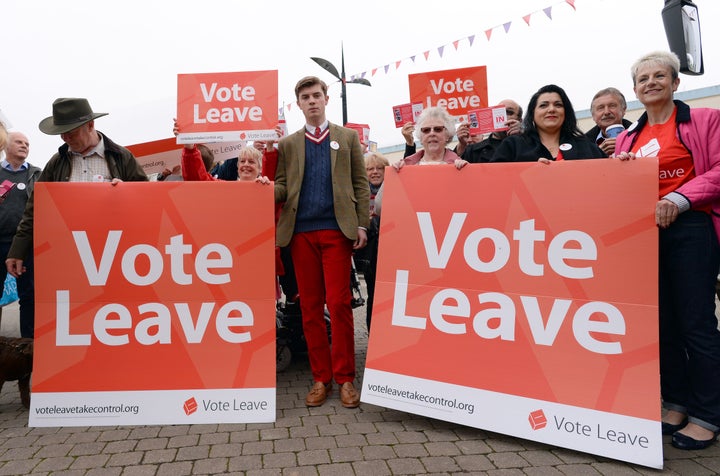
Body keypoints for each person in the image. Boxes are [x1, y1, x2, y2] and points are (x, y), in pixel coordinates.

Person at [615, 51, 720, 451]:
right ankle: (676, 403)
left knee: (696, 323)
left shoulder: (706, 120)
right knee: (663, 325)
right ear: (636, 90)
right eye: (643, 78)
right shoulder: (627, 138)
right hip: (644, 236)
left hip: (690, 227)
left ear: (676, 83)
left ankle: (708, 414)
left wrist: (679, 198)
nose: (651, 82)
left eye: (660, 76)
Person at [269, 75, 370, 408]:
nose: (311, 101)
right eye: (305, 97)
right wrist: (264, 185)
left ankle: (345, 379)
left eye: (316, 95)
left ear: (327, 99)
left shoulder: (348, 137)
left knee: (339, 305)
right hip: (299, 233)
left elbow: (360, 184)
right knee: (310, 308)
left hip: (336, 230)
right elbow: (283, 187)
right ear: (298, 104)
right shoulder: (288, 145)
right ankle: (320, 377)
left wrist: (361, 225)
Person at [6, 98, 148, 279]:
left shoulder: (121, 157)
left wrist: (126, 191)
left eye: (71, 133)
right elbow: (34, 209)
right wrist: (17, 250)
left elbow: (147, 199)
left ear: (90, 125)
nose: (65, 138)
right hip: (68, 251)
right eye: (61, 133)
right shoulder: (57, 162)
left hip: (116, 251)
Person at [491, 84, 606, 163]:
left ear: (566, 112)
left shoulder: (585, 145)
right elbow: (492, 180)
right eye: (543, 105)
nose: (551, 109)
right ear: (533, 113)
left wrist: (621, 161)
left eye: (558, 105)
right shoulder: (513, 145)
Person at [0, 132, 41, 338]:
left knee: (29, 295)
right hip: (0, 241)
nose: (24, 146)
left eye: (27, 143)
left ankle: (28, 345)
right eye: (19, 142)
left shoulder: (37, 174)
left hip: (26, 244)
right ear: (5, 146)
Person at [359, 152, 390, 330]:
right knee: (373, 294)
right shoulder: (361, 193)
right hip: (371, 254)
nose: (375, 172)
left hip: (391, 250)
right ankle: (373, 334)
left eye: (379, 168)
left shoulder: (394, 189)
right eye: (370, 169)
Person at [394, 107, 469, 170]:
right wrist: (395, 174)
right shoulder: (404, 166)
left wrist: (468, 171)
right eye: (426, 130)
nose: (432, 133)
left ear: (447, 135)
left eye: (438, 129)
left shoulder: (460, 167)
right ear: (421, 137)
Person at [461, 99, 523, 163]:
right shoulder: (473, 151)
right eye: (499, 111)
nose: (503, 115)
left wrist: (522, 135)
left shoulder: (527, 146)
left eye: (509, 112)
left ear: (520, 121)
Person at [584, 87, 633, 156]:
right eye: (600, 108)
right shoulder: (583, 144)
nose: (606, 112)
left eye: (612, 106)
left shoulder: (639, 133)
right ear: (593, 115)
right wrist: (598, 153)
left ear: (624, 110)